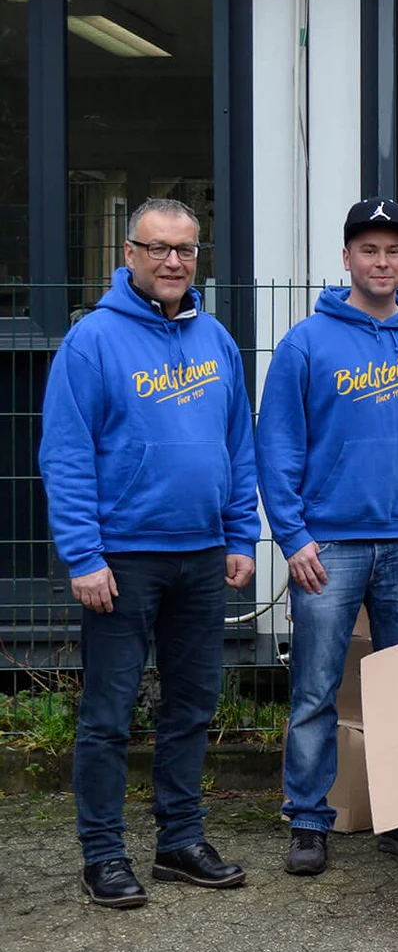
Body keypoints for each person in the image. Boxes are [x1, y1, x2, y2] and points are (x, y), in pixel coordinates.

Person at [39, 197, 258, 908]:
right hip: (123, 560)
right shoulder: (92, 342)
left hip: (203, 556)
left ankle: (179, 842)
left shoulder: (216, 340)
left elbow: (238, 446)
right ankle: (103, 855)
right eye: (158, 248)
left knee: (191, 707)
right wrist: (82, 555)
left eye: (185, 249)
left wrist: (240, 535)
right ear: (129, 253)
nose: (172, 261)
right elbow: (66, 455)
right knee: (108, 716)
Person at [258, 199, 398, 876]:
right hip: (327, 548)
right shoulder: (305, 344)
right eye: (369, 250)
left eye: (393, 251)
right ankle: (308, 820)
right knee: (315, 689)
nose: (382, 262)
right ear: (347, 257)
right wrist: (293, 536)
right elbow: (277, 446)